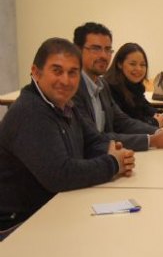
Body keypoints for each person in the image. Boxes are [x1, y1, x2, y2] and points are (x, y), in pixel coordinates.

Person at [0, 38, 135, 240]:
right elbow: (61, 175)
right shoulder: (31, 111)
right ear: (36, 73)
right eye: (57, 71)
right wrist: (113, 163)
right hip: (20, 225)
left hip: (55, 208)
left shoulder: (65, 104)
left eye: (72, 73)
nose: (65, 80)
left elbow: (93, 141)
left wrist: (113, 151)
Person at [72, 22, 163, 151]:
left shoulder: (102, 85)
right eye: (96, 49)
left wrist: (158, 132)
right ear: (77, 50)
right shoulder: (72, 88)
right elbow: (94, 138)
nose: (103, 55)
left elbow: (122, 121)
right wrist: (151, 140)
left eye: (107, 49)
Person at [103, 42, 163, 128]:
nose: (139, 69)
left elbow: (148, 109)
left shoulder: (135, 87)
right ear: (119, 64)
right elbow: (125, 123)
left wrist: (161, 116)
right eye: (132, 64)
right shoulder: (111, 88)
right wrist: (154, 122)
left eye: (142, 65)